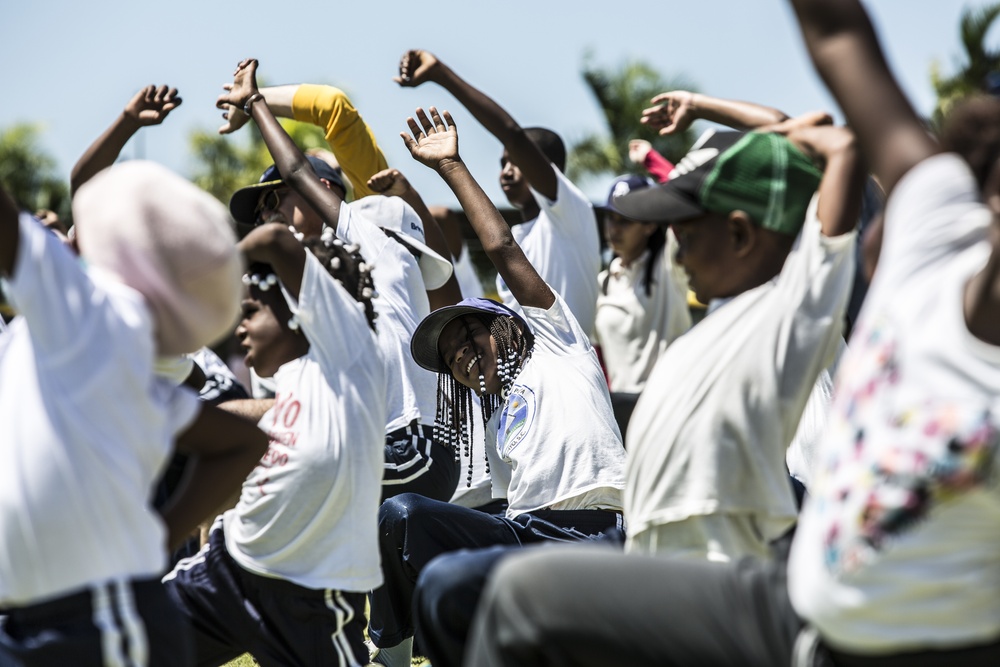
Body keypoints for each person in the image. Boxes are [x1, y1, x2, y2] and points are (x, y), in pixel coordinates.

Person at [464, 0, 1000, 664]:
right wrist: (704, 110)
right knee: (525, 597)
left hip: (920, 639)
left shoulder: (826, 292)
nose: (879, 213)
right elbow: (837, 38)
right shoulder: (936, 223)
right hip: (801, 612)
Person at [364, 105, 626, 667]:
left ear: (505, 327)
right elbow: (505, 509)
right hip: (527, 538)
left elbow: (502, 250)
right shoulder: (495, 418)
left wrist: (451, 166)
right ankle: (390, 656)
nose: (460, 352)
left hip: (602, 532)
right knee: (402, 514)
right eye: (451, 356)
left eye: (469, 334)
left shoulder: (557, 341)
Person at [162, 58, 387, 667]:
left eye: (252, 311)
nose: (239, 326)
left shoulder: (347, 346)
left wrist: (202, 282)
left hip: (310, 592)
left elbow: (277, 242)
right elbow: (250, 417)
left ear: (299, 313)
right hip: (228, 568)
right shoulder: (292, 375)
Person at [0, 158, 267, 666]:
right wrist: (162, 536)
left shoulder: (80, 309)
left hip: (94, 622)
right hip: (68, 614)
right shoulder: (125, 350)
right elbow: (242, 443)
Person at [220, 65, 463, 503]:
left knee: (273, 476)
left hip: (409, 443)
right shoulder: (296, 300)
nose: (266, 216)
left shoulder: (368, 239)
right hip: (376, 443)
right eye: (259, 213)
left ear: (324, 192)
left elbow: (299, 166)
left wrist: (256, 103)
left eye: (274, 200)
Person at [395, 49, 602, 334]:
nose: (507, 171)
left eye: (517, 162)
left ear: (546, 167)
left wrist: (441, 75)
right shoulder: (518, 236)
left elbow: (512, 134)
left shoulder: (571, 214)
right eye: (503, 163)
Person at [594, 174, 691, 397]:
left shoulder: (669, 266)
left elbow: (684, 200)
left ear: (650, 224)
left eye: (625, 219)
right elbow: (598, 358)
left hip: (669, 403)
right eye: (610, 218)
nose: (614, 229)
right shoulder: (603, 282)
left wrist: (650, 160)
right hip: (619, 409)